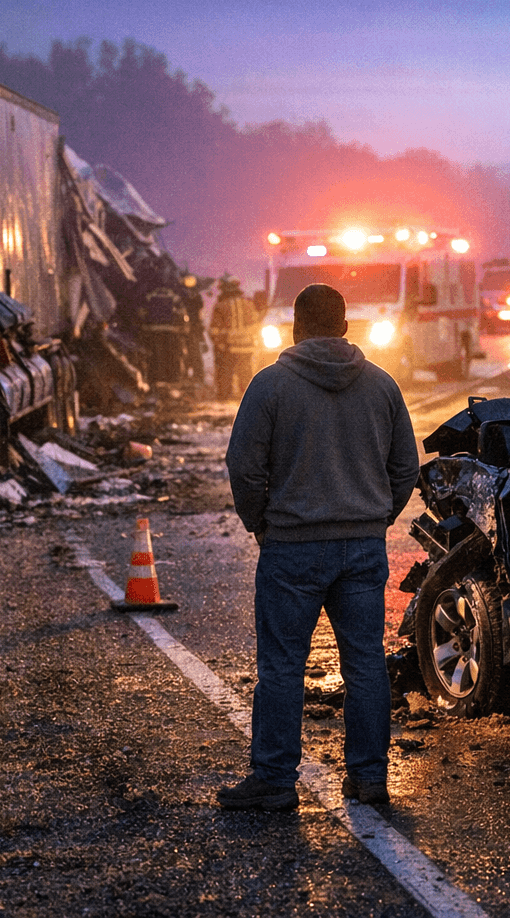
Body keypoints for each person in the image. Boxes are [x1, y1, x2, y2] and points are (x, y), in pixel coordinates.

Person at [218, 283, 421, 811]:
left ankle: (275, 780)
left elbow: (243, 466)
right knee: (365, 663)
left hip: (292, 550)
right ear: (347, 327)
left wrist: (260, 521)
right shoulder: (382, 387)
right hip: (361, 548)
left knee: (283, 665)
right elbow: (405, 469)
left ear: (296, 327)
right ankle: (370, 777)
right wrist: (374, 517)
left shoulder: (270, 386)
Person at [209, 276, 257, 400]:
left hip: (228, 347)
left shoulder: (221, 306)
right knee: (245, 372)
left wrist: (218, 343)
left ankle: (224, 398)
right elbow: (255, 325)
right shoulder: (249, 304)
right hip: (246, 347)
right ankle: (247, 397)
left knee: (225, 373)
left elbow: (214, 329)